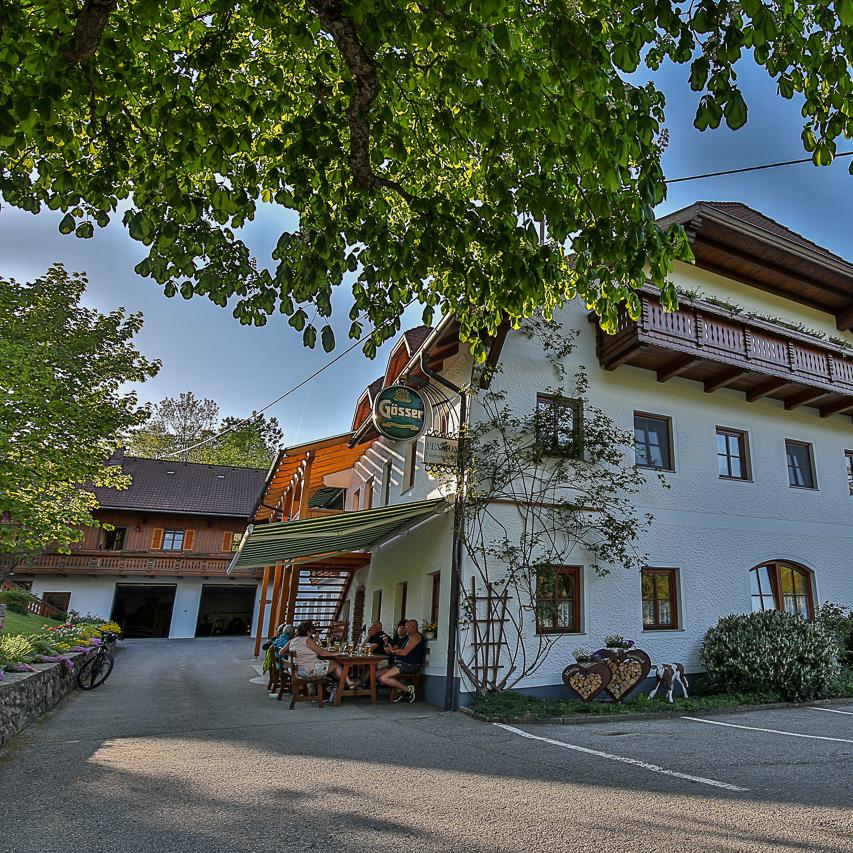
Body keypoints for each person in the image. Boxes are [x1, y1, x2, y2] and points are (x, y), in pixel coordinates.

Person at [288, 621, 353, 693]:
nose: (313, 632)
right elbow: (321, 652)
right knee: (336, 665)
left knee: (331, 665)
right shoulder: (307, 640)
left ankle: (337, 686)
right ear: (308, 631)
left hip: (297, 670)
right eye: (312, 631)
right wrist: (336, 654)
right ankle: (349, 684)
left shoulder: (294, 640)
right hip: (307, 670)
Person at [379, 618, 424, 703]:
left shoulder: (416, 637)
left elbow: (404, 653)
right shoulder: (409, 637)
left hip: (409, 665)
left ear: (413, 627)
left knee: (383, 678)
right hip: (400, 663)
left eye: (406, 627)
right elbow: (400, 651)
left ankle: (407, 690)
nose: (405, 629)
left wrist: (393, 651)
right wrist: (392, 650)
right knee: (377, 674)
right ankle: (400, 691)